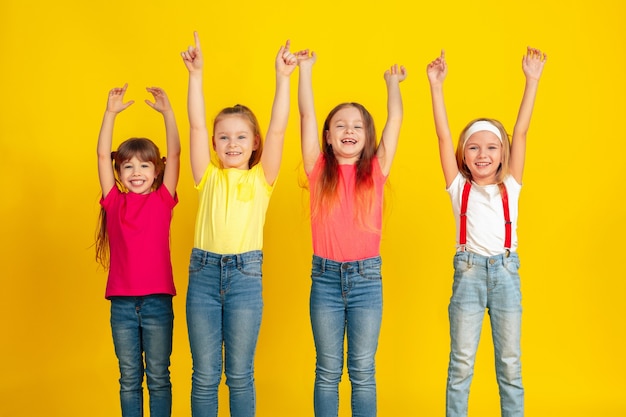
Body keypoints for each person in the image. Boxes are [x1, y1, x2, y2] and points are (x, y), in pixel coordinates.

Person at [180, 31, 298, 417]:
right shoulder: (207, 176)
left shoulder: (262, 178)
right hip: (203, 276)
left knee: (240, 375)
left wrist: (283, 79)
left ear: (255, 143)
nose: (232, 143)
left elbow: (279, 128)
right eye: (224, 137)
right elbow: (195, 126)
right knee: (204, 375)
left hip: (245, 278)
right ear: (214, 144)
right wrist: (195, 76)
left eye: (241, 136)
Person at [426, 47, 547, 417]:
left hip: (507, 275)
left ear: (503, 153)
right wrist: (436, 87)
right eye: (474, 147)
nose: (482, 154)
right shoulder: (458, 188)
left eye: (492, 147)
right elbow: (444, 137)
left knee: (510, 365)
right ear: (463, 155)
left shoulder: (511, 185)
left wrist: (532, 80)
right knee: (461, 364)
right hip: (469, 275)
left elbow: (522, 131)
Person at [296, 48, 407, 417]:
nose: (349, 131)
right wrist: (305, 70)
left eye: (358, 126)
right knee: (327, 370)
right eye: (341, 125)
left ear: (367, 136)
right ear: (328, 136)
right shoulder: (316, 169)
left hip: (366, 280)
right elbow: (306, 115)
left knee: (362, 371)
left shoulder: (376, 170)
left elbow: (396, 118)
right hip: (325, 279)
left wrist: (392, 84)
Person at [95, 83, 181, 417]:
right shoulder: (113, 202)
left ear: (157, 170)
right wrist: (110, 114)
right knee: (129, 378)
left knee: (159, 377)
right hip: (122, 305)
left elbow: (174, 154)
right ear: (118, 172)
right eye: (128, 166)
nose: (136, 173)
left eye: (144, 166)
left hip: (158, 302)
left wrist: (168, 114)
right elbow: (102, 155)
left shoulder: (163, 200)